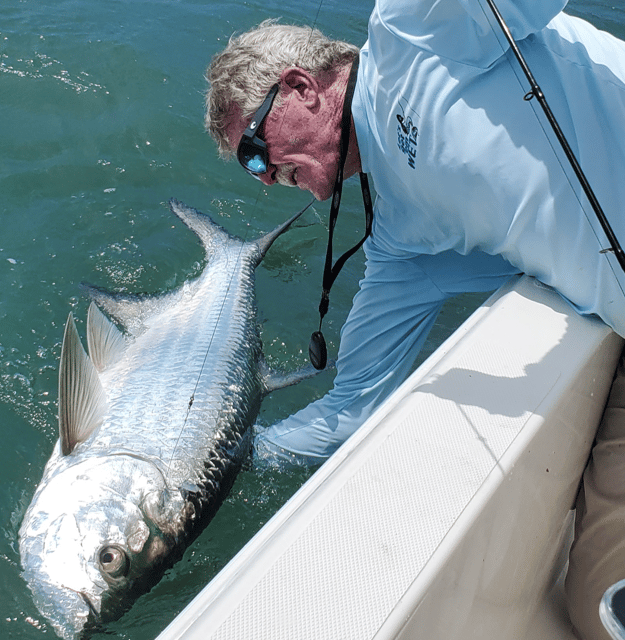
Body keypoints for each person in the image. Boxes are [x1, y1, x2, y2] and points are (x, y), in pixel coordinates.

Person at [204, 2, 625, 638]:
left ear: (299, 88)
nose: (263, 179)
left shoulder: (413, 29)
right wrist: (213, 465)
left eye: (255, 153)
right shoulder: (400, 242)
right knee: (604, 606)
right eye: (251, 168)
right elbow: (349, 411)